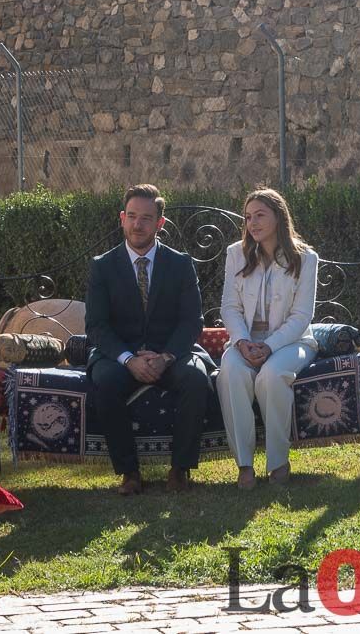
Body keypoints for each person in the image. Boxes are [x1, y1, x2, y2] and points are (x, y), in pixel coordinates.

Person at [85, 184, 212, 495]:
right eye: (131, 216)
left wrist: (166, 357)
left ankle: (180, 469)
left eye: (146, 218)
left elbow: (191, 321)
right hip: (120, 356)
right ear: (122, 218)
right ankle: (129, 473)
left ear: (160, 223)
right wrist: (129, 359)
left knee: (197, 380)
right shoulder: (103, 266)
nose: (137, 224)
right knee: (105, 381)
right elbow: (97, 326)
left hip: (170, 355)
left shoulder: (180, 264)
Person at [216, 188, 318, 489]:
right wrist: (243, 342)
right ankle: (244, 463)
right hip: (245, 340)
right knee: (231, 372)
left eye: (260, 215)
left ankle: (278, 461)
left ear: (278, 216)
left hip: (291, 341)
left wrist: (269, 346)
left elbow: (301, 317)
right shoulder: (236, 254)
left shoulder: (305, 258)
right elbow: (230, 307)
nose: (252, 223)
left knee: (271, 375)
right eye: (248, 217)